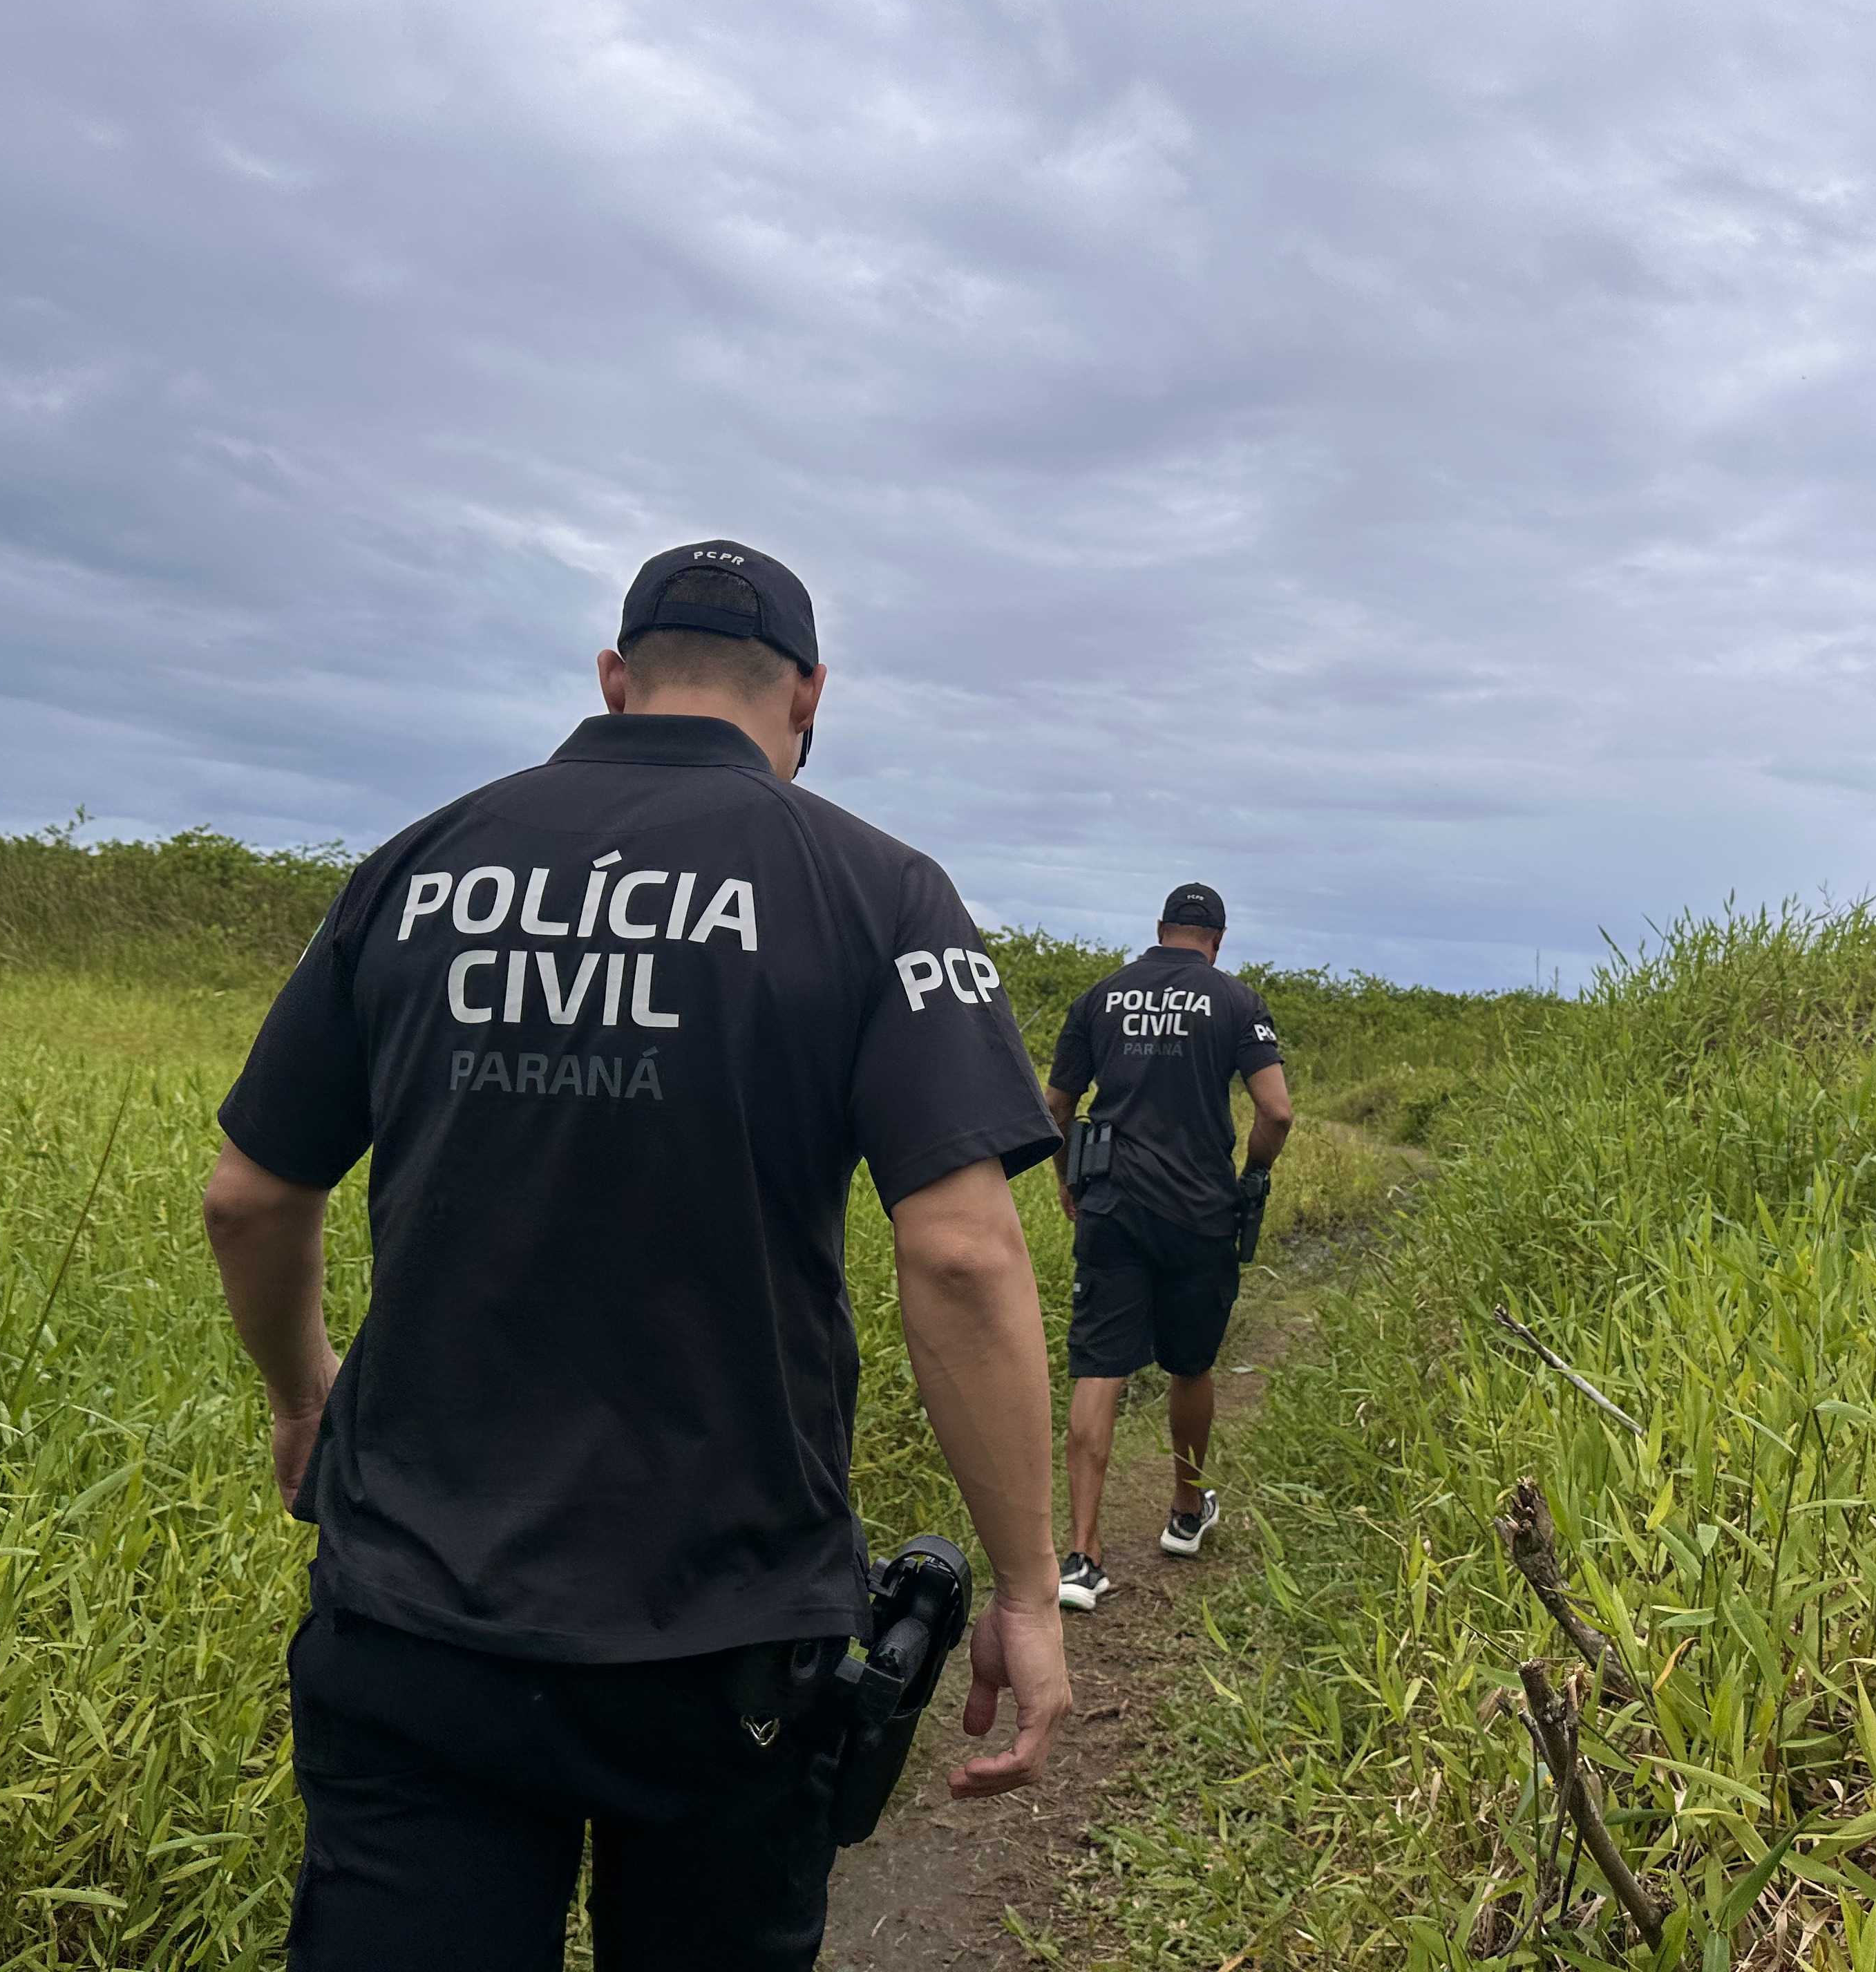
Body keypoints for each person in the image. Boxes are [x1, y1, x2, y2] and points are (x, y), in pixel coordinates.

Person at [200, 540, 1072, 1971]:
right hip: (723, 1649)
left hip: (418, 1630)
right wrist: (1029, 1591)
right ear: (808, 697)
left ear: (614, 679)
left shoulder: (420, 867)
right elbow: (966, 1256)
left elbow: (249, 1194)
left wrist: (306, 1400)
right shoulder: (878, 892)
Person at [1041, 883, 1294, 1610]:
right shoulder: (1235, 1001)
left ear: (1159, 930)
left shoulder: (1101, 997)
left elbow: (1056, 1106)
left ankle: (1083, 1556)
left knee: (1100, 1366)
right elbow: (1275, 1111)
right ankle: (1186, 1512)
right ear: (1216, 940)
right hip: (1199, 1212)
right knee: (1191, 1364)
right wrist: (1253, 1177)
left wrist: (1071, 1182)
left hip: (1112, 1206)